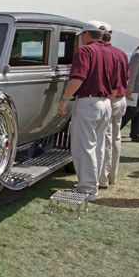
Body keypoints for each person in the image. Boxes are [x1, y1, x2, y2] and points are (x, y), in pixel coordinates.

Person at [57, 21, 115, 202]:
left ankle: (86, 189)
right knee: (97, 147)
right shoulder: (108, 52)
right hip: (105, 102)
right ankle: (93, 185)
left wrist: (65, 99)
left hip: (88, 103)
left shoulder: (84, 51)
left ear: (87, 35)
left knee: (84, 146)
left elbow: (78, 77)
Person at [99, 22, 129, 189]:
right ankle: (112, 175)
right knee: (116, 138)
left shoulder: (104, 53)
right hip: (121, 99)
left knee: (105, 139)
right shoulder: (122, 54)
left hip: (110, 99)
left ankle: (102, 178)